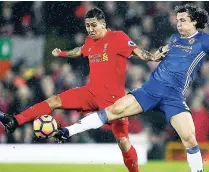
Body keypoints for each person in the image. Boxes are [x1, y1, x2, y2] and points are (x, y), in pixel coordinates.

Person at [52, 4, 209, 172]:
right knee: (114, 110)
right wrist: (157, 54)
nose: (178, 23)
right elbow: (164, 51)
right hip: (150, 89)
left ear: (194, 22)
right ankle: (68, 131)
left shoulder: (204, 40)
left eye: (183, 20)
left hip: (173, 97)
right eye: (177, 20)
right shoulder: (175, 38)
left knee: (190, 138)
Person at [0, 8, 167, 172]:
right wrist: (63, 53)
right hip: (90, 93)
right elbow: (80, 51)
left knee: (123, 142)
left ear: (103, 24)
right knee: (55, 100)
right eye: (87, 25)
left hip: (114, 101)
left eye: (93, 25)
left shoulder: (118, 37)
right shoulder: (90, 40)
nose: (90, 29)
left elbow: (139, 53)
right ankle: (15, 121)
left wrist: (153, 57)